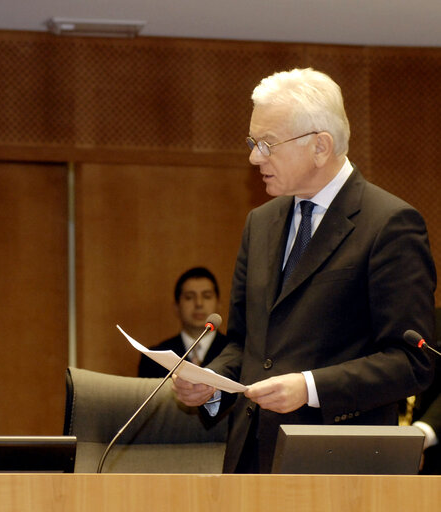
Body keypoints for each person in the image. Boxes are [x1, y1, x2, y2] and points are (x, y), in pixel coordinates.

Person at [171, 68, 436, 473]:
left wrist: (310, 387)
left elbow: (411, 362)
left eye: (267, 144)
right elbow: (244, 344)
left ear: (320, 146)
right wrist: (211, 383)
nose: (254, 156)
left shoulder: (390, 224)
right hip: (251, 459)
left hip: (337, 462)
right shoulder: (260, 223)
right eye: (252, 142)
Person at [138, 267, 230, 378]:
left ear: (219, 304)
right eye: (189, 297)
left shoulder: (234, 353)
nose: (199, 304)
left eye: (207, 296)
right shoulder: (155, 357)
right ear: (177, 307)